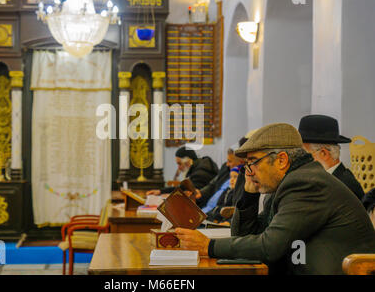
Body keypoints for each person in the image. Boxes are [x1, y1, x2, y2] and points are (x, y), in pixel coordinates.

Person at [175, 123, 375, 275]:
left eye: (253, 162)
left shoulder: (306, 183)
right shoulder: (287, 183)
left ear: (281, 160)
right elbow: (246, 236)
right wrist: (249, 196)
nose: (248, 172)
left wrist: (208, 246)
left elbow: (269, 247)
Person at [298, 114, 365, 200]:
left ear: (323, 153)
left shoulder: (343, 185)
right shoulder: (328, 178)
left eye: (304, 153)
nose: (300, 159)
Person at [146, 145, 218, 196]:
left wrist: (163, 192)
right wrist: (160, 191)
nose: (179, 168)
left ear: (188, 161)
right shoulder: (199, 167)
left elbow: (191, 193)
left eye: (180, 164)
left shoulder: (200, 173)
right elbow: (183, 188)